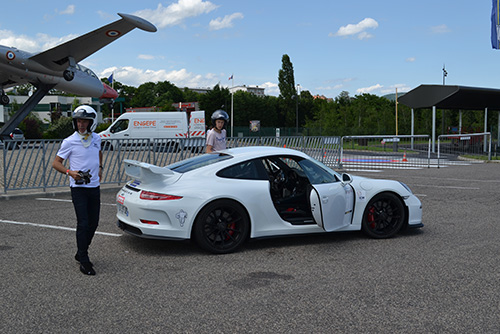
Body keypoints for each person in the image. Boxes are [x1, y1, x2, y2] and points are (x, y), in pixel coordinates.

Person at [52, 105, 102, 276]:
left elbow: (99, 153)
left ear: (91, 122)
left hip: (94, 186)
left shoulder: (97, 138)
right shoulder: (69, 141)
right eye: (79, 121)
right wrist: (69, 172)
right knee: (83, 223)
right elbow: (56, 163)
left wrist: (100, 168)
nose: (81, 124)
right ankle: (84, 259)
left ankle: (80, 251)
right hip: (79, 188)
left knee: (94, 223)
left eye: (85, 121)